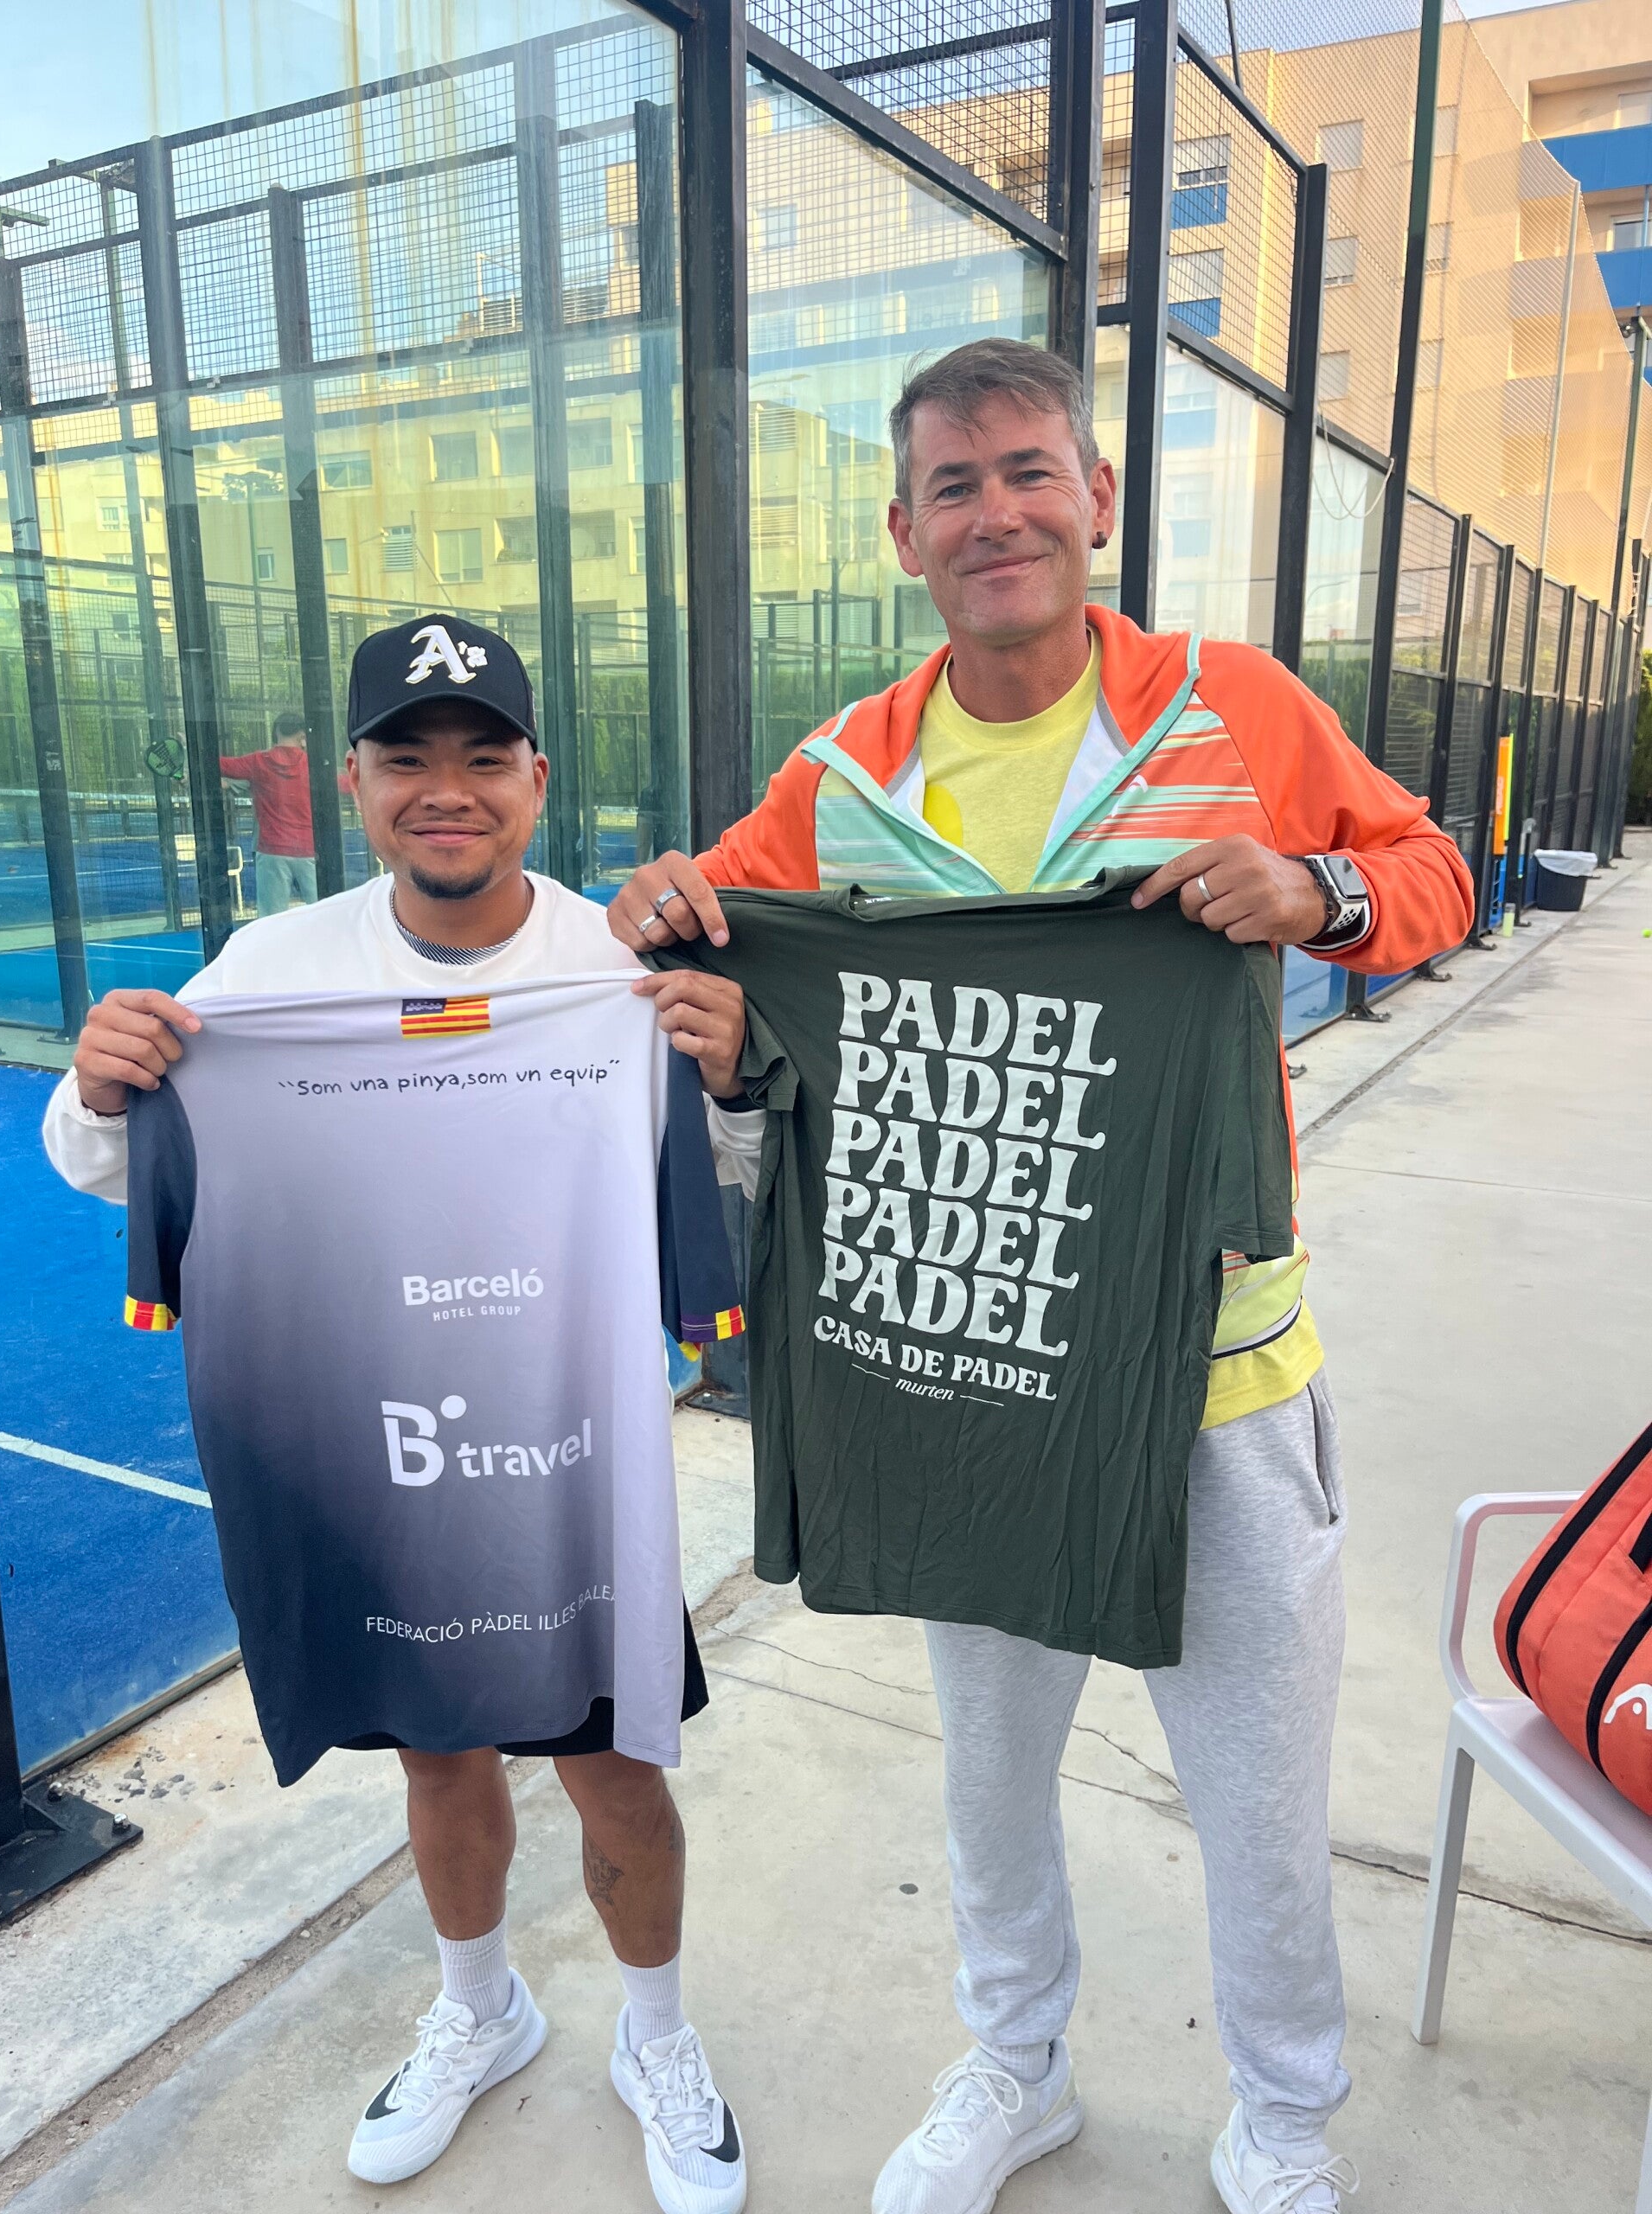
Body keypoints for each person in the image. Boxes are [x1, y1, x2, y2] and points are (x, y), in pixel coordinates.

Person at [608, 341, 1476, 2214]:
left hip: (1223, 1374)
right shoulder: (842, 776)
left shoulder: (1234, 710)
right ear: (903, 531)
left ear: (1095, 499)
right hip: (975, 1371)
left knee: (1255, 1797)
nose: (994, 512)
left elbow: (1435, 870)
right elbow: (717, 962)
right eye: (954, 485)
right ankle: (1018, 2065)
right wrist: (664, 921)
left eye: (1026, 472)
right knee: (991, 1783)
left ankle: (1285, 2120)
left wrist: (1320, 896)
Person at [44, 617, 751, 2211]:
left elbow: (739, 1174)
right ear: (353, 783)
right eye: (408, 758)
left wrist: (728, 1076)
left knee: (617, 1770)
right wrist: (99, 1084)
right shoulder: (270, 972)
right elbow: (103, 1162)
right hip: (386, 1464)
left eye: (482, 756)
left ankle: (657, 2035)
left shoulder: (617, 973)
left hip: (575, 1469)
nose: (449, 790)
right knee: (438, 1759)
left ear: (537, 779)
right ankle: (480, 2013)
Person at [220, 710, 317, 913]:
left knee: (271, 919)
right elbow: (344, 782)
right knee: (327, 912)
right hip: (308, 848)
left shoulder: (258, 761)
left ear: (276, 733)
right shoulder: (313, 765)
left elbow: (222, 765)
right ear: (302, 736)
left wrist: (187, 750)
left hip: (272, 849)